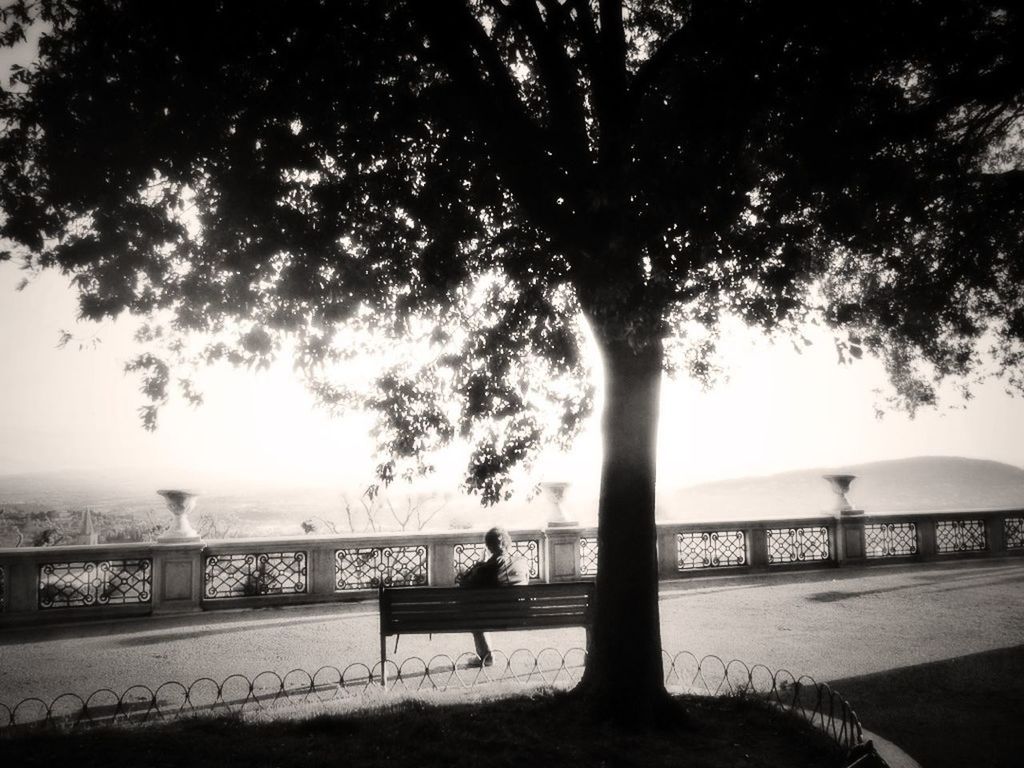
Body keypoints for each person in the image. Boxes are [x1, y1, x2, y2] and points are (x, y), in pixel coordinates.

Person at [458, 526, 529, 666]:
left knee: (473, 612)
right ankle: (487, 656)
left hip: (493, 616)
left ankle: (487, 656)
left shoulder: (486, 568)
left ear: (489, 547)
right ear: (508, 543)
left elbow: (464, 584)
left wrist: (479, 564)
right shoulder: (522, 562)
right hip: (521, 614)